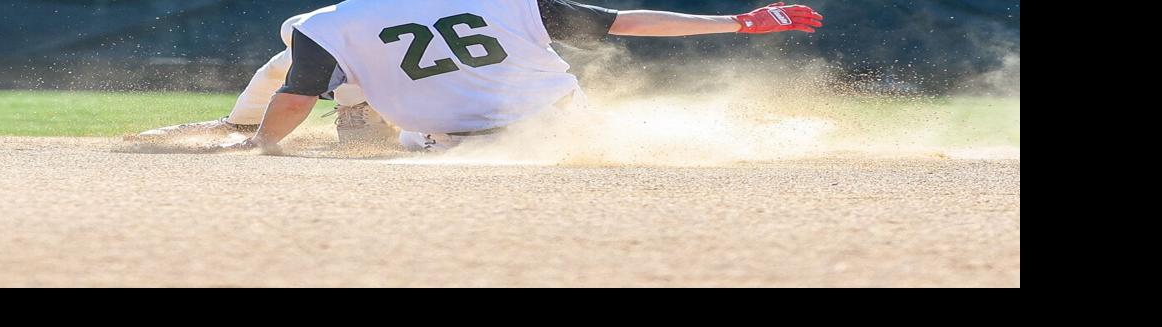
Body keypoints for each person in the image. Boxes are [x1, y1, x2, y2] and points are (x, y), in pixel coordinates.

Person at [141, 1, 824, 152]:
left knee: (295, 53)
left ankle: (235, 129)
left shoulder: (332, 21)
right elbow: (627, 24)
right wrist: (736, 23)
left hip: (446, 143)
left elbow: (293, 97)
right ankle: (771, 132)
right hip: (558, 126)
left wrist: (260, 147)